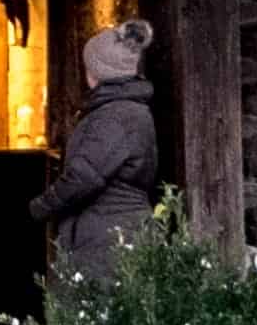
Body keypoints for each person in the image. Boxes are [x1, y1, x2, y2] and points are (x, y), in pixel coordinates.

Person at [30, 18, 162, 286]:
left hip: (109, 238)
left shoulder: (116, 116)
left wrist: (41, 207)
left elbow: (85, 176)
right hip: (110, 232)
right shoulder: (123, 110)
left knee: (98, 312)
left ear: (98, 73)